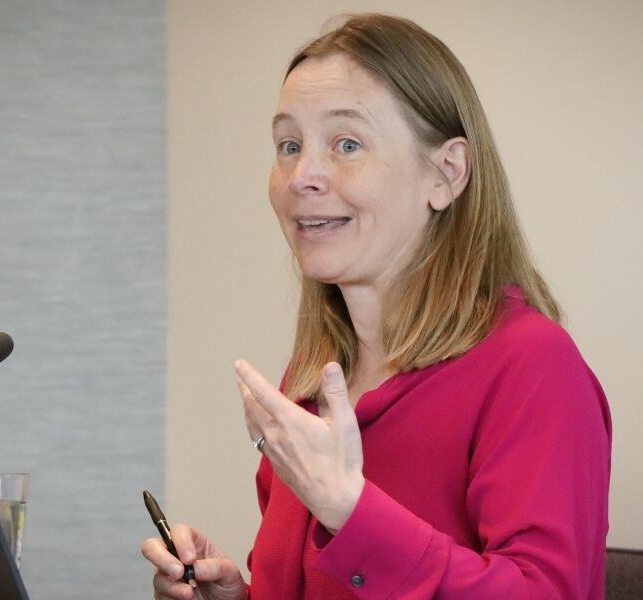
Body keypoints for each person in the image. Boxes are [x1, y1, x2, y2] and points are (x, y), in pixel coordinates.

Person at [142, 13, 611, 600]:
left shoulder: (533, 365)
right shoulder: (312, 379)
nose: (302, 175)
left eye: (347, 144)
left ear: (446, 173)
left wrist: (350, 509)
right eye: (289, 145)